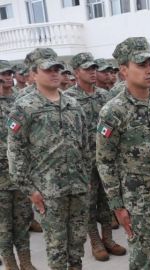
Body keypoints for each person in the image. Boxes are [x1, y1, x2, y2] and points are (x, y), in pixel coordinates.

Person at [96, 37, 150, 270]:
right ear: (124, 70)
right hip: (139, 204)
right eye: (141, 65)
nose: (149, 70)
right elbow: (105, 161)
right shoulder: (113, 111)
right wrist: (117, 205)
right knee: (144, 263)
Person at [7, 48, 89, 270]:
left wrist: (86, 180)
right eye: (47, 69)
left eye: (57, 69)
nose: (55, 74)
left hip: (77, 188)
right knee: (56, 249)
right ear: (33, 74)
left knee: (77, 246)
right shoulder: (24, 107)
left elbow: (85, 147)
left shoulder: (73, 105)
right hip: (48, 192)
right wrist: (30, 189)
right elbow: (15, 152)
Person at [65, 52, 127, 262]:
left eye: (94, 69)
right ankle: (95, 241)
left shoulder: (104, 96)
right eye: (87, 69)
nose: (92, 73)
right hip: (84, 162)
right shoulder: (69, 99)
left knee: (108, 200)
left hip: (106, 159)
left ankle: (108, 238)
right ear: (76, 72)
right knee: (89, 203)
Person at [0, 69, 37, 270]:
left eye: (9, 73)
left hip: (20, 174)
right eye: (2, 73)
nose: (7, 77)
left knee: (22, 222)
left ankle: (25, 261)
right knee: (4, 227)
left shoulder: (19, 101)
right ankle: (10, 263)